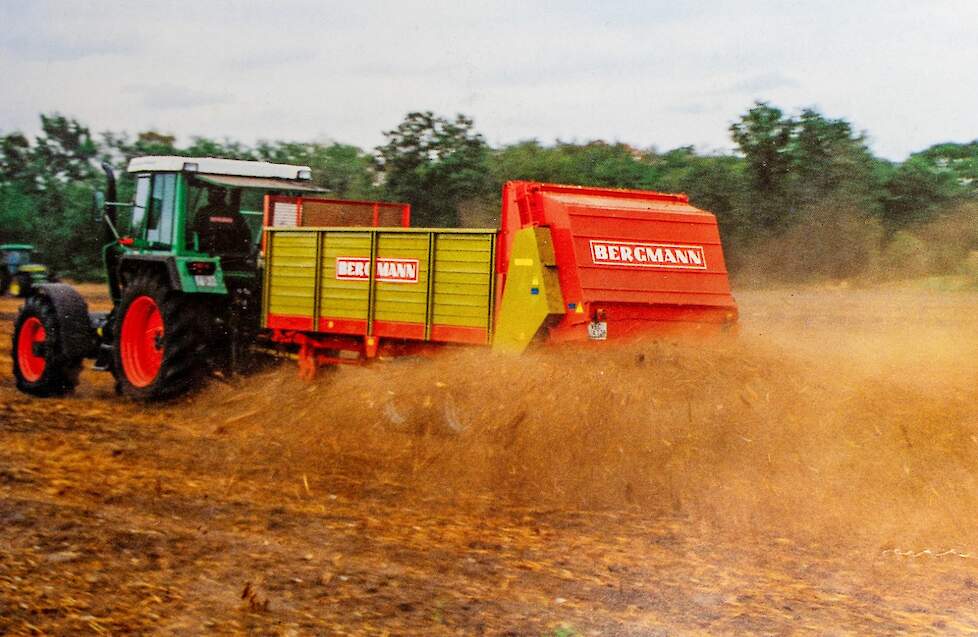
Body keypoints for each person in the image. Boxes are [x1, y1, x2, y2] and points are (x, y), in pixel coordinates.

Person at [192, 186, 252, 256]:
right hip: (230, 255)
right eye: (210, 192)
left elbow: (196, 232)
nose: (210, 195)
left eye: (213, 192)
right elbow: (246, 235)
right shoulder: (234, 213)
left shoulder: (203, 212)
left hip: (208, 254)